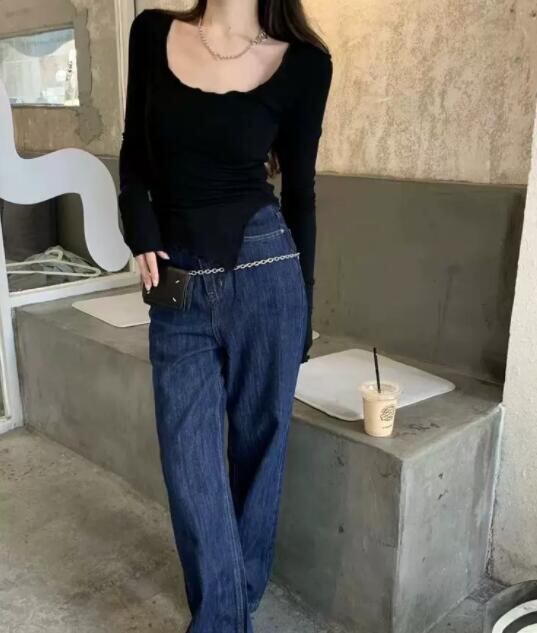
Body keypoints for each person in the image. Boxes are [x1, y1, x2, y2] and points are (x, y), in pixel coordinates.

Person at [118, 1, 332, 631]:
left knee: (261, 453)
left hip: (267, 273)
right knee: (189, 467)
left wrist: (304, 313)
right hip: (176, 283)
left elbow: (300, 194)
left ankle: (225, 613)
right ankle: (229, 613)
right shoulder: (152, 32)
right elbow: (134, 154)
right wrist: (140, 229)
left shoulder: (305, 63)